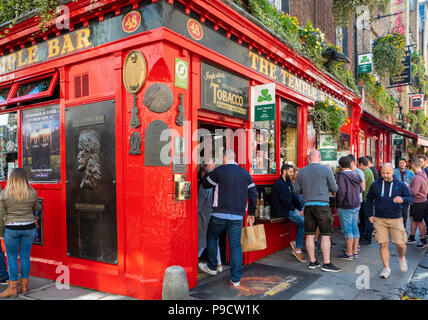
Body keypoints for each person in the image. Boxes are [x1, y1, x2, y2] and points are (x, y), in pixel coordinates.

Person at [198, 150, 257, 287]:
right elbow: (253, 194)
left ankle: (212, 267)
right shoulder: (245, 174)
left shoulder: (219, 171)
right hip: (237, 217)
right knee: (235, 246)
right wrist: (251, 213)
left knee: (212, 238)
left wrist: (209, 170)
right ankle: (235, 279)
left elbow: (205, 184)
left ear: (224, 157)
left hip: (218, 214)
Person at [294, 149, 340, 272]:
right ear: (319, 157)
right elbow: (334, 188)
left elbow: (296, 190)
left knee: (309, 235)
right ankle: (326, 263)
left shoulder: (302, 172)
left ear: (309, 158)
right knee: (325, 235)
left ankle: (313, 262)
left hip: (308, 206)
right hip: (322, 206)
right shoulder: (326, 170)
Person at [366, 163, 414, 279]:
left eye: (387, 173)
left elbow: (411, 198)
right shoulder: (375, 185)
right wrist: (370, 215)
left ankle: (401, 258)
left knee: (401, 244)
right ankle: (386, 268)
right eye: (383, 173)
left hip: (396, 218)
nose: (385, 175)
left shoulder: (401, 185)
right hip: (379, 219)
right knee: (383, 244)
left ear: (393, 172)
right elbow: (368, 200)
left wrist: (402, 199)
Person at [0, 168, 41, 297]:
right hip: (29, 228)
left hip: (11, 229)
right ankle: (24, 286)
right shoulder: (32, 192)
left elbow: (1, 215)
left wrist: (2, 232)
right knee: (25, 257)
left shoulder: (4, 194)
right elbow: (38, 208)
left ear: (11, 178)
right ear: (25, 179)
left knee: (12, 258)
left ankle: (12, 288)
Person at [272, 163, 305, 263]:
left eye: (292, 172)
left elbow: (294, 197)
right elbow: (285, 201)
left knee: (305, 220)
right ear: (284, 171)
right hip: (281, 210)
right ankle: (297, 249)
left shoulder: (289, 183)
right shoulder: (279, 184)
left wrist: (300, 209)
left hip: (289, 209)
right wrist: (296, 211)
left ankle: (296, 245)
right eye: (290, 172)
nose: (292, 174)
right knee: (303, 223)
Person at [335, 156, 363, 260]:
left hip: (346, 206)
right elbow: (360, 189)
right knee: (354, 227)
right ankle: (355, 251)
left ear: (340, 166)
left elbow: (341, 192)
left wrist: (338, 204)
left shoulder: (342, 176)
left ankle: (349, 253)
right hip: (356, 205)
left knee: (347, 230)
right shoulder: (355, 173)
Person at [197, 163, 223, 272]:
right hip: (215, 214)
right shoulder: (215, 183)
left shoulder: (204, 185)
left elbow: (199, 203)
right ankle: (219, 264)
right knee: (214, 240)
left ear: (202, 173)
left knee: (203, 240)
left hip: (204, 215)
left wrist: (193, 214)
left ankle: (195, 259)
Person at [408, 158, 428, 248]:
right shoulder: (423, 174)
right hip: (422, 200)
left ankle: (423, 240)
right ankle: (412, 237)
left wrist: (407, 186)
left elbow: (414, 192)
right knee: (414, 219)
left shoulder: (417, 177)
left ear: (412, 165)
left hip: (418, 202)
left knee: (419, 222)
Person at [358, 157, 375, 245]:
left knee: (367, 219)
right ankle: (366, 237)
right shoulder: (368, 171)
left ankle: (367, 238)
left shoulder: (365, 172)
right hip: (368, 198)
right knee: (366, 219)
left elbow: (362, 187)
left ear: (361, 164)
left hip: (366, 199)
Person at [394, 157, 414, 229]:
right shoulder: (394, 172)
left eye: (403, 163)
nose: (401, 164)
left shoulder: (411, 173)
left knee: (404, 212)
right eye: (400, 163)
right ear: (398, 164)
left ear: (406, 164)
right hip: (396, 194)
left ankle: (403, 227)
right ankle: (396, 227)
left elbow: (413, 184)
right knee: (396, 212)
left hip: (406, 195)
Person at [416, 154, 428, 237]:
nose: (419, 163)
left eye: (421, 161)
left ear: (426, 161)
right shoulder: (423, 170)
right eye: (418, 161)